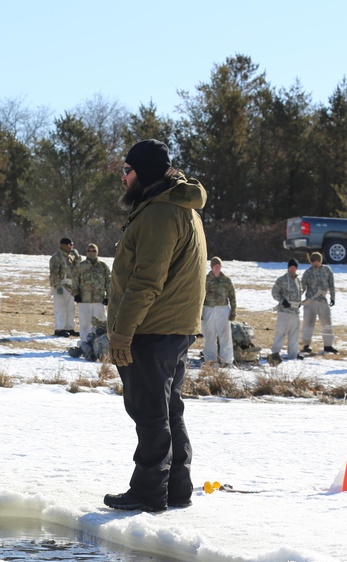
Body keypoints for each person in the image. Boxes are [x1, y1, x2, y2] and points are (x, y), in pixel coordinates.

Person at [104, 139, 207, 513]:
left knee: (149, 412)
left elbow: (146, 280)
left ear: (143, 173)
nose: (123, 179)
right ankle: (176, 488)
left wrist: (122, 332)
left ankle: (149, 492)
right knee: (168, 410)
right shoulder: (177, 206)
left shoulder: (160, 213)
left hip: (152, 327)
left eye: (127, 171)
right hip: (172, 326)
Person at [300, 251, 337, 354]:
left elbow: (331, 284)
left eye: (315, 261)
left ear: (319, 261)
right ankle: (306, 345)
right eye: (311, 261)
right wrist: (297, 298)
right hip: (310, 301)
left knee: (327, 324)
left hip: (323, 302)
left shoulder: (327, 270)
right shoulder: (308, 272)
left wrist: (332, 298)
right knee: (308, 323)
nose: (313, 263)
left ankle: (328, 345)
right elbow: (302, 287)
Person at [202, 256, 236, 367]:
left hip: (223, 309)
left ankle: (226, 360)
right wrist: (200, 312)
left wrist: (233, 311)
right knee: (209, 335)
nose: (217, 268)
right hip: (209, 309)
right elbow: (200, 296)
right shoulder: (205, 280)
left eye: (219, 266)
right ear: (212, 267)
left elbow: (232, 297)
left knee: (225, 335)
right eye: (215, 266)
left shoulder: (226, 280)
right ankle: (210, 360)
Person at [269, 258, 304, 364]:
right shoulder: (282, 280)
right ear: (288, 268)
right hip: (284, 312)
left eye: (294, 267)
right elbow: (274, 292)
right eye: (291, 267)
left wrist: (298, 303)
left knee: (294, 334)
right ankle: (275, 354)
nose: (292, 268)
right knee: (281, 333)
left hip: (295, 313)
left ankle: (293, 355)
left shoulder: (298, 281)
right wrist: (282, 301)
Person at [72, 243, 110, 341]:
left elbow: (109, 283)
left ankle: (100, 343)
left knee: (101, 323)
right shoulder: (80, 266)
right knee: (85, 324)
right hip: (84, 300)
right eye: (89, 251)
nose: (91, 253)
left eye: (94, 251)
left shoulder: (103, 266)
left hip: (99, 300)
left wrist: (108, 297)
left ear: (97, 252)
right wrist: (76, 294)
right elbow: (75, 281)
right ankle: (85, 342)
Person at [49, 237, 80, 336]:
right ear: (63, 245)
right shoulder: (56, 257)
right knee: (61, 308)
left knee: (70, 309)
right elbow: (54, 274)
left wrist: (77, 257)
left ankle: (69, 328)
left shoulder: (71, 257)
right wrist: (57, 287)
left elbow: (78, 268)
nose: (72, 247)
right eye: (70, 245)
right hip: (61, 286)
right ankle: (59, 328)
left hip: (71, 286)